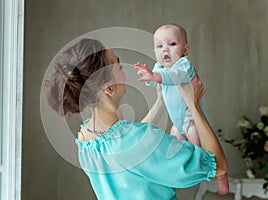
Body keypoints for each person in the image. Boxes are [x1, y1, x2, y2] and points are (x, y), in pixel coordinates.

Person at [44, 38, 228, 199]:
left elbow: (130, 144)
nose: (124, 70)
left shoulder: (85, 139)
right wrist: (193, 103)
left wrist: (160, 102)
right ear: (108, 88)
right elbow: (218, 166)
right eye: (119, 65)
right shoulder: (137, 140)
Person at [134, 23, 229, 194]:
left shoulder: (183, 65)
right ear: (155, 51)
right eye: (160, 46)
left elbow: (174, 76)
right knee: (172, 148)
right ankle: (173, 180)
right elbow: (155, 79)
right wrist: (147, 77)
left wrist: (155, 76)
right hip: (177, 123)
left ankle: (220, 175)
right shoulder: (159, 67)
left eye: (172, 44)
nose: (165, 50)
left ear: (185, 49)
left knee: (200, 150)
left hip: (190, 119)